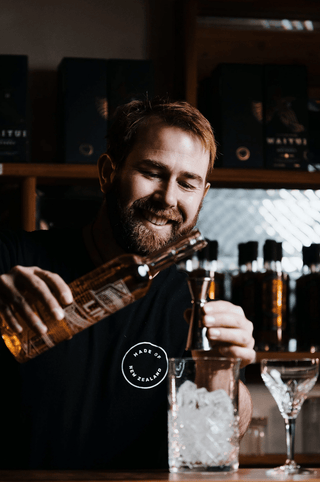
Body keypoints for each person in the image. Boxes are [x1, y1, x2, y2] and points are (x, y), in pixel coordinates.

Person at [0, 98, 255, 470]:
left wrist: (224, 373)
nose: (168, 198)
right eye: (152, 172)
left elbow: (216, 443)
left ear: (203, 195)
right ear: (107, 172)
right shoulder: (12, 260)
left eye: (188, 183)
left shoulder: (193, 303)